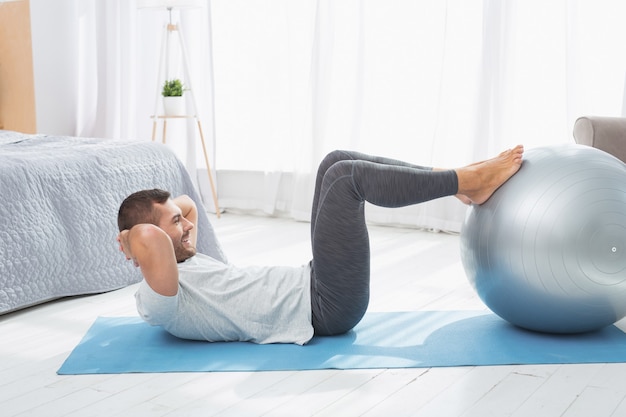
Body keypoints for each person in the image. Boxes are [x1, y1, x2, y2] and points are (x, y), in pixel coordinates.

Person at [117, 146, 524, 345]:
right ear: (144, 246)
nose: (189, 223)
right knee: (348, 179)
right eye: (177, 223)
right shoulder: (161, 297)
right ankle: (464, 180)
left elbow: (179, 209)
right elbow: (150, 237)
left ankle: (456, 179)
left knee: (335, 161)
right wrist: (133, 239)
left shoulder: (184, 257)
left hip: (316, 282)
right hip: (325, 308)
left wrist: (163, 220)